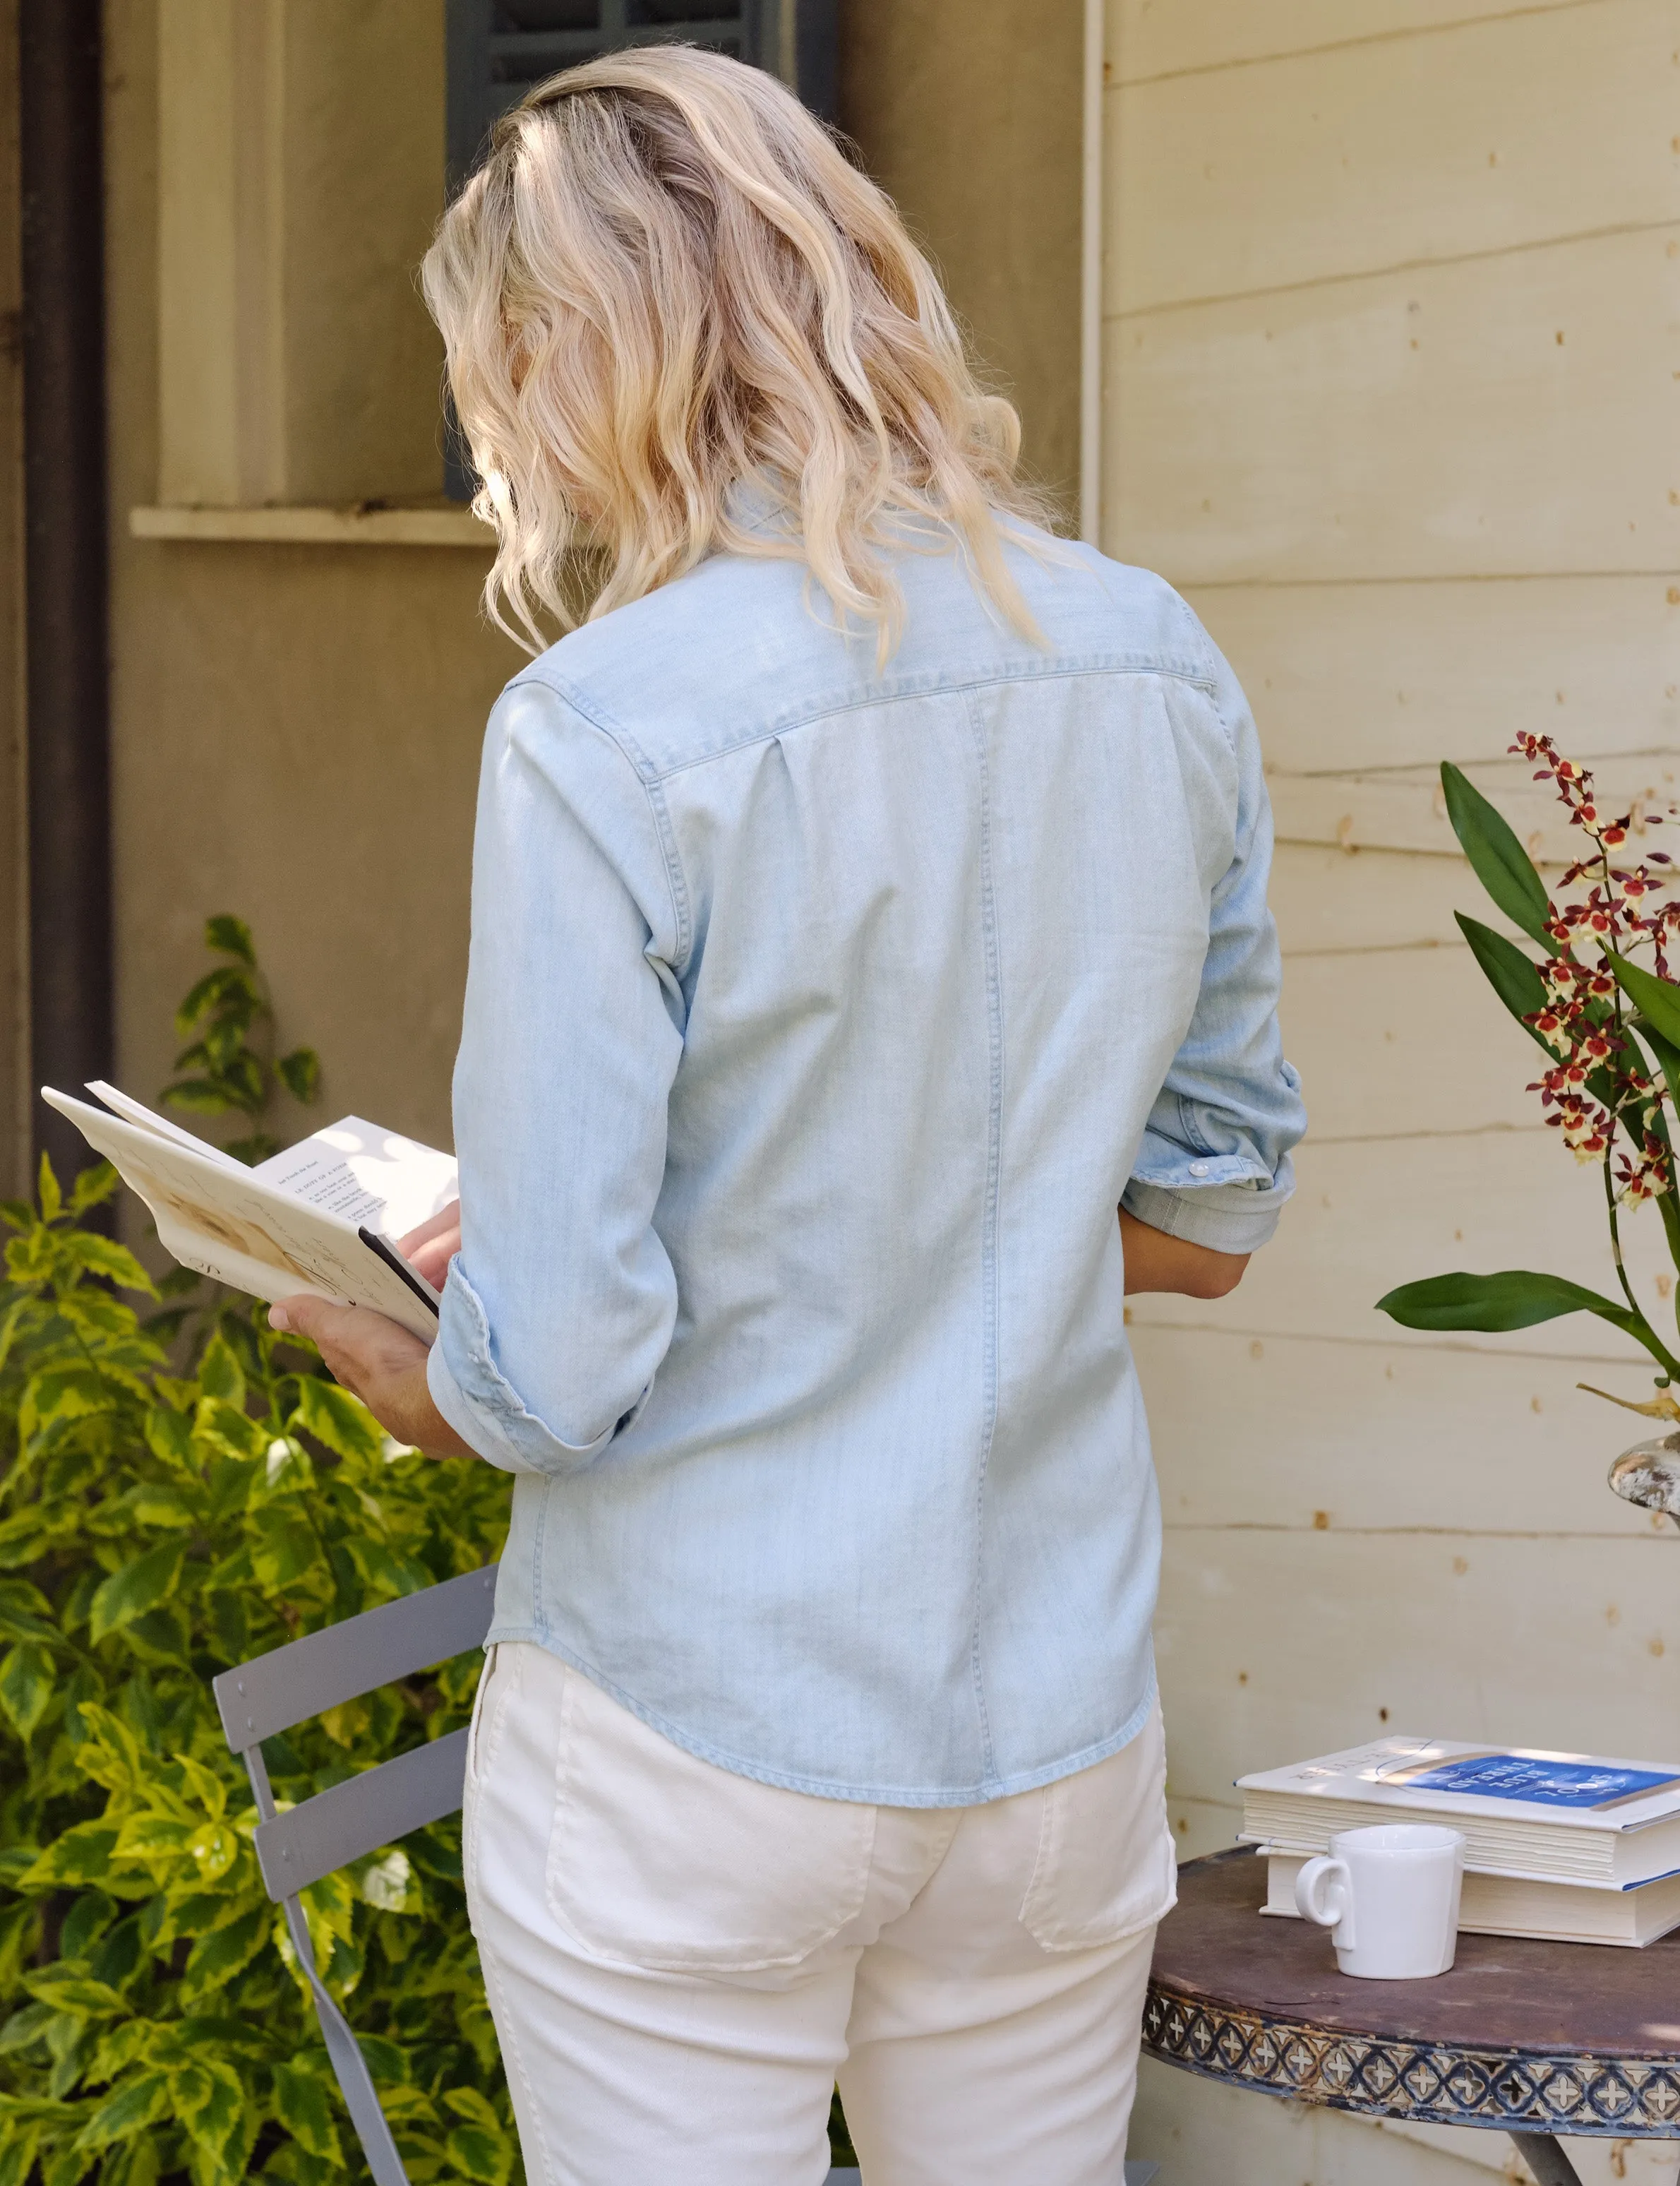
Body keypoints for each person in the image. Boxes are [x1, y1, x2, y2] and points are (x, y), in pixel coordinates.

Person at [270, 43, 1305, 2186]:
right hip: (1046, 1731)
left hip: (688, 1730)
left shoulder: (603, 725)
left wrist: (393, 1354)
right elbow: (1203, 1214)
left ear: (577, 356)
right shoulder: (1148, 657)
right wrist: (898, 1207)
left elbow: (549, 1375)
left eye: (504, 371)